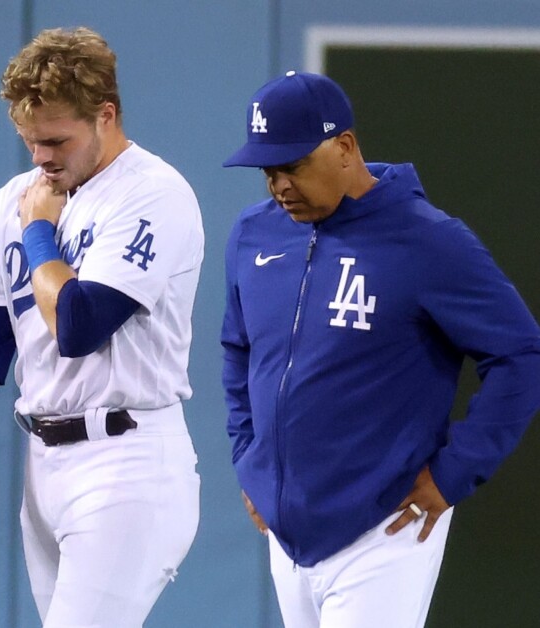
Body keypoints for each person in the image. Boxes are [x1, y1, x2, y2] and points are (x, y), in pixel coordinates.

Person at [0, 27, 203, 627]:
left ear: (106, 115)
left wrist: (38, 233)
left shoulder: (153, 194)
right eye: (30, 141)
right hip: (45, 464)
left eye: (56, 139)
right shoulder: (17, 199)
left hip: (127, 459)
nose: (41, 158)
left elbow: (80, 326)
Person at [220, 70, 540, 627]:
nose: (279, 184)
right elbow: (239, 349)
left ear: (344, 146)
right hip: (288, 535)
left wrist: (453, 473)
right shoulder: (255, 233)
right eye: (268, 169)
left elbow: (521, 356)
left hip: (383, 529)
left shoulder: (428, 240)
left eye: (292, 165)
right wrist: (251, 461)